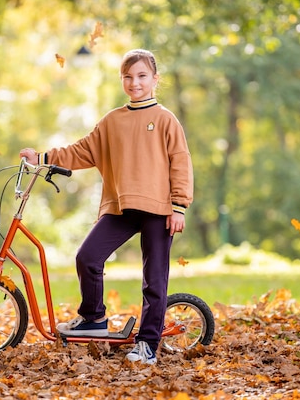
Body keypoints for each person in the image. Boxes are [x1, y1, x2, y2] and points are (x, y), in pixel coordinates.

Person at [19, 49, 193, 365]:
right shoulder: (113, 121)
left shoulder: (166, 119)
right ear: (122, 80)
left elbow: (180, 163)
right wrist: (42, 159)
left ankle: (148, 345)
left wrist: (179, 206)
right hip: (121, 208)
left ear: (155, 79)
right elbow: (81, 151)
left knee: (154, 279)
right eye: (128, 77)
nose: (135, 82)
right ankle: (93, 318)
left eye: (141, 76)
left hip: (158, 209)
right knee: (88, 257)